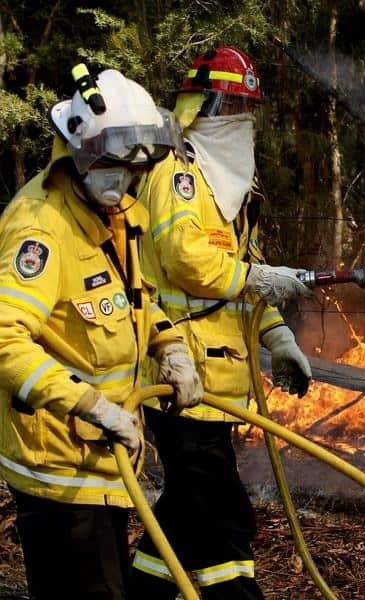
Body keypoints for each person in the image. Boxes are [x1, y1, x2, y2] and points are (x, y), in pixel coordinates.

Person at [0, 65, 204, 600]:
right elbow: (5, 340)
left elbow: (132, 301)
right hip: (61, 474)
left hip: (106, 463)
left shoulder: (114, 216)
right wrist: (90, 405)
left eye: (133, 170)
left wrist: (170, 344)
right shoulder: (41, 228)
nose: (123, 181)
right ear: (78, 154)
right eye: (111, 166)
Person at [130, 47, 313, 599]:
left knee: (188, 512)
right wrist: (258, 278)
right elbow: (191, 260)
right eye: (229, 104)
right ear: (200, 106)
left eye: (246, 106)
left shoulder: (230, 191)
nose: (239, 118)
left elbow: (246, 280)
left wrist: (279, 338)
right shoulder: (175, 173)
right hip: (177, 377)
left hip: (219, 385)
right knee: (222, 511)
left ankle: (146, 588)